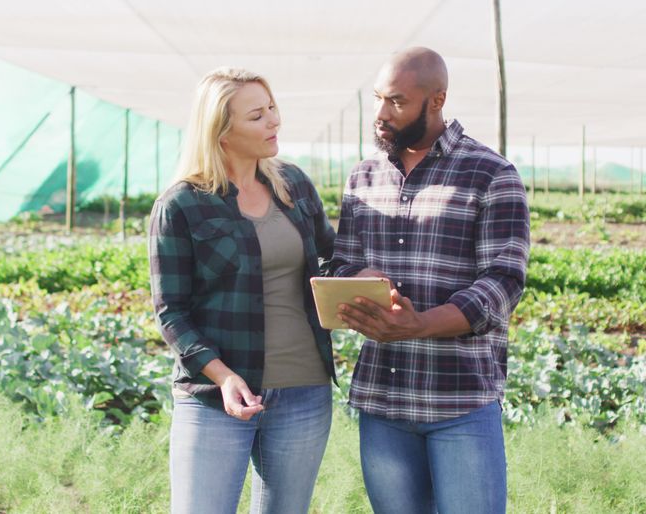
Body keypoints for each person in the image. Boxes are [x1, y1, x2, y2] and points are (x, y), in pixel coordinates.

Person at [331, 47, 529, 514]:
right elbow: (339, 263)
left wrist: (420, 324)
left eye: (396, 102)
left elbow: (502, 283)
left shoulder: (490, 174)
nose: (381, 114)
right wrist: (357, 277)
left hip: (458, 400)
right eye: (378, 99)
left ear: (436, 100)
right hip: (384, 399)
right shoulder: (363, 178)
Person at [148, 67, 337, 514]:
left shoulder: (294, 185)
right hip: (215, 397)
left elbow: (333, 255)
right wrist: (225, 377)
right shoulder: (181, 205)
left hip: (303, 390)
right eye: (257, 115)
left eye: (272, 108)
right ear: (222, 131)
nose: (274, 121)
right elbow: (170, 312)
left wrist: (362, 279)